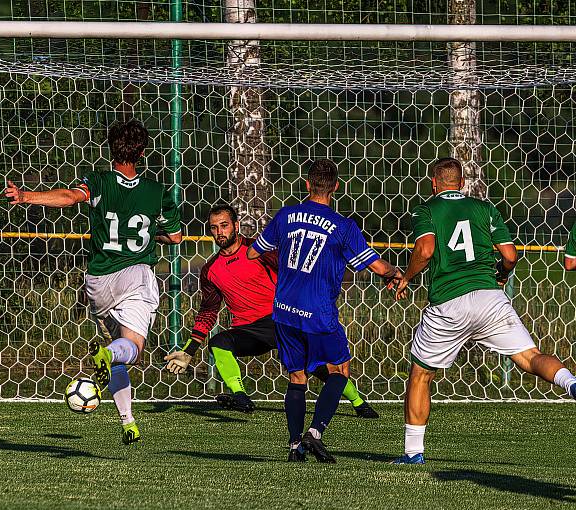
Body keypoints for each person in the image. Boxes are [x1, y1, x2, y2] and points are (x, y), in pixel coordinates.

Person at [5, 119, 182, 445]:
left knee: (117, 353)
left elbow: (69, 197)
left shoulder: (98, 181)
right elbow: (175, 236)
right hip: (134, 276)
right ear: (142, 152)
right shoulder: (157, 192)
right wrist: (148, 238)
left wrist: (26, 196)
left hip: (97, 283)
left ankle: (128, 421)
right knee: (132, 350)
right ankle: (106, 360)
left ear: (111, 149)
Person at [392, 157, 576, 465]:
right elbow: (510, 254)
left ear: (434, 183)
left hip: (449, 303)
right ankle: (571, 383)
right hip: (489, 297)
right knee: (529, 357)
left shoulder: (426, 209)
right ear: (462, 183)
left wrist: (407, 278)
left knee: (421, 374)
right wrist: (502, 274)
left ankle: (413, 453)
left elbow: (425, 250)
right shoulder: (484, 208)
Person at [247, 159, 402, 463]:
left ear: (306, 184)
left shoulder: (286, 215)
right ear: (336, 187)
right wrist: (397, 273)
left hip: (284, 311)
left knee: (297, 376)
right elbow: (377, 266)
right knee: (340, 370)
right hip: (318, 313)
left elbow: (254, 251)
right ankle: (315, 433)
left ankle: (294, 447)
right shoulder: (343, 227)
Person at [165, 203, 379, 418]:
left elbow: (293, 269)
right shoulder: (210, 270)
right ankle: (241, 397)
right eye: (214, 228)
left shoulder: (258, 250)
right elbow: (208, 311)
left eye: (224, 225)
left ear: (236, 226)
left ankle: (359, 403)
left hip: (280, 319)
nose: (220, 232)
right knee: (218, 343)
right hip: (248, 331)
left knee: (315, 365)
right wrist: (189, 351)